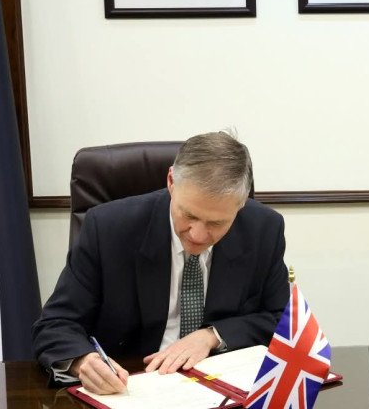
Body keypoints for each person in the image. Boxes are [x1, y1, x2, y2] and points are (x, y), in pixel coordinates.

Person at [33, 132, 288, 393]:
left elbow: (282, 320)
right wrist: (83, 361)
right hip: (131, 386)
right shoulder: (108, 228)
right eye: (189, 215)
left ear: (240, 205)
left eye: (216, 223)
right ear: (171, 182)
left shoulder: (263, 229)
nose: (198, 235)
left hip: (220, 386)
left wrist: (212, 335)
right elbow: (56, 324)